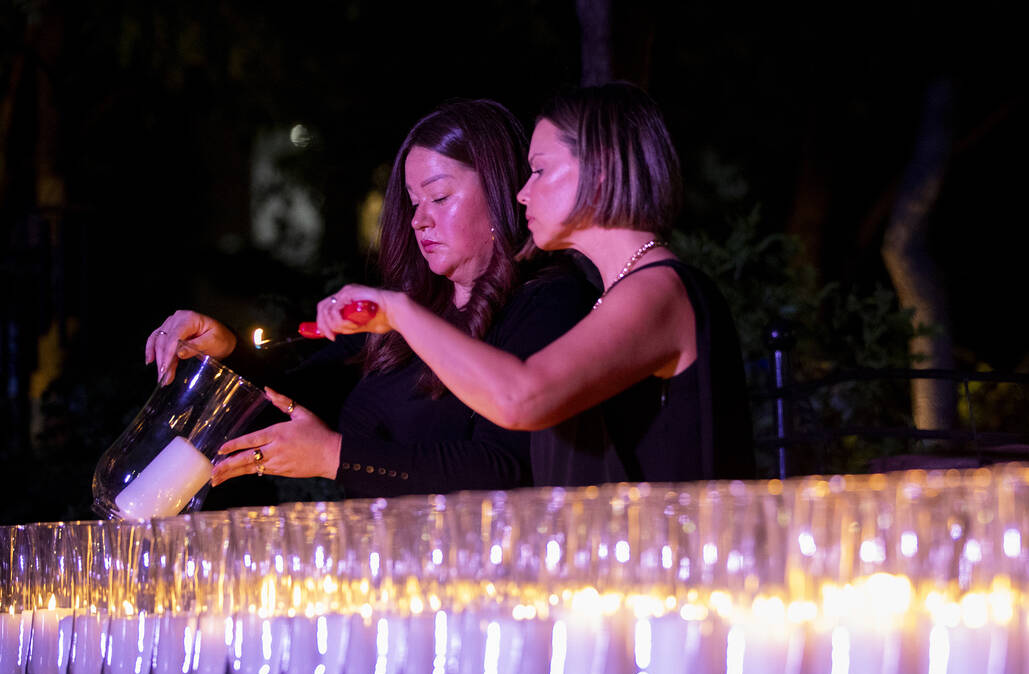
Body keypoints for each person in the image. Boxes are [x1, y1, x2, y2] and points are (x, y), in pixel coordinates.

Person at [144, 99, 596, 497]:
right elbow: (302, 392)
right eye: (413, 202)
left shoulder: (549, 301)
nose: (419, 220)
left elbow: (507, 469)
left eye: (439, 196)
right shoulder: (413, 308)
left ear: (501, 192)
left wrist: (337, 457)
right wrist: (227, 352)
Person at [316, 82, 755, 486]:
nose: (522, 193)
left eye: (540, 171)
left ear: (598, 173)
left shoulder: (659, 288)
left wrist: (400, 312)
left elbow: (519, 398)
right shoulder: (621, 292)